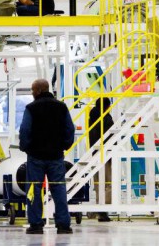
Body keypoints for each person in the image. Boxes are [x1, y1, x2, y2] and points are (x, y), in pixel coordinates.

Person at [19, 79, 75, 234]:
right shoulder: (61, 107)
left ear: (38, 90)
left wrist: (26, 147)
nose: (31, 93)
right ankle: (63, 225)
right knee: (59, 190)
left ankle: (36, 224)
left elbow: (24, 130)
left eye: (32, 90)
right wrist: (64, 146)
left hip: (36, 157)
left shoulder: (31, 108)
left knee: (34, 190)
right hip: (56, 156)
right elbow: (70, 130)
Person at [88, 97, 114, 222]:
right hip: (105, 154)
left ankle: (99, 207)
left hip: (94, 153)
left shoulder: (92, 116)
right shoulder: (107, 118)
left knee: (98, 183)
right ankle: (103, 210)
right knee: (108, 183)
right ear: (107, 106)